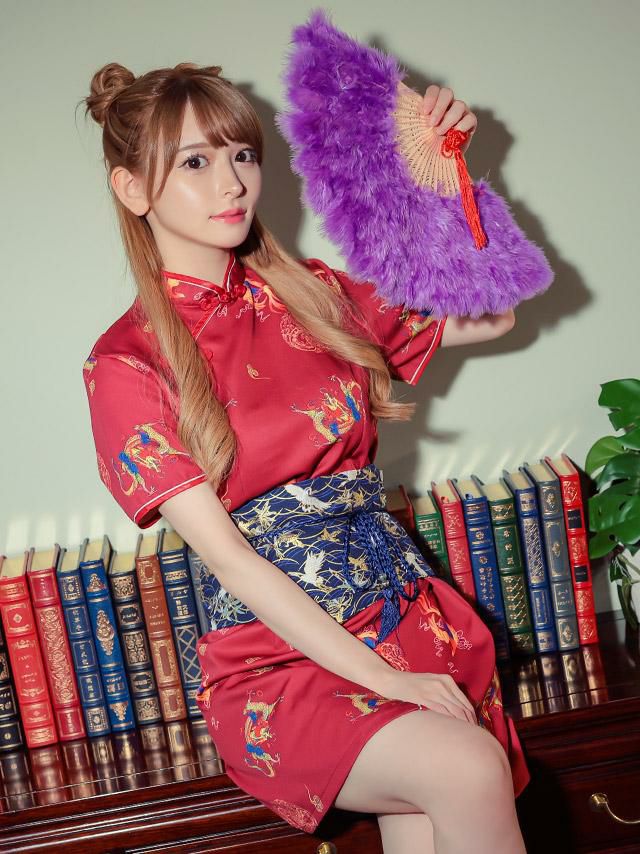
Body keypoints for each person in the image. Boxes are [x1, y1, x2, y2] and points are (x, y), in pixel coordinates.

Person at [81, 60, 530, 853]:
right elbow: (231, 560)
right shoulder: (126, 362)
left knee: (432, 814)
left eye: (242, 154)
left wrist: (442, 176)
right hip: (278, 662)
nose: (232, 182)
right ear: (132, 189)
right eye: (195, 162)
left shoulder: (313, 293)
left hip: (404, 616)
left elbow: (495, 311)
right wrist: (384, 679)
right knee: (465, 769)